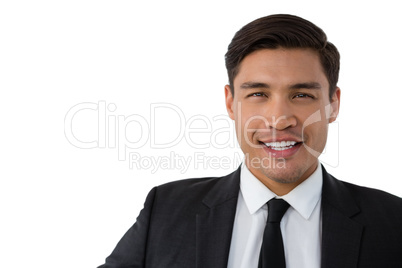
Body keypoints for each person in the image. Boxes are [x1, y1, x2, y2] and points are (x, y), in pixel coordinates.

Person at [97, 14, 402, 268]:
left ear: (333, 105)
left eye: (302, 95)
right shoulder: (165, 211)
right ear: (231, 104)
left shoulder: (393, 223)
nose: (279, 119)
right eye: (258, 94)